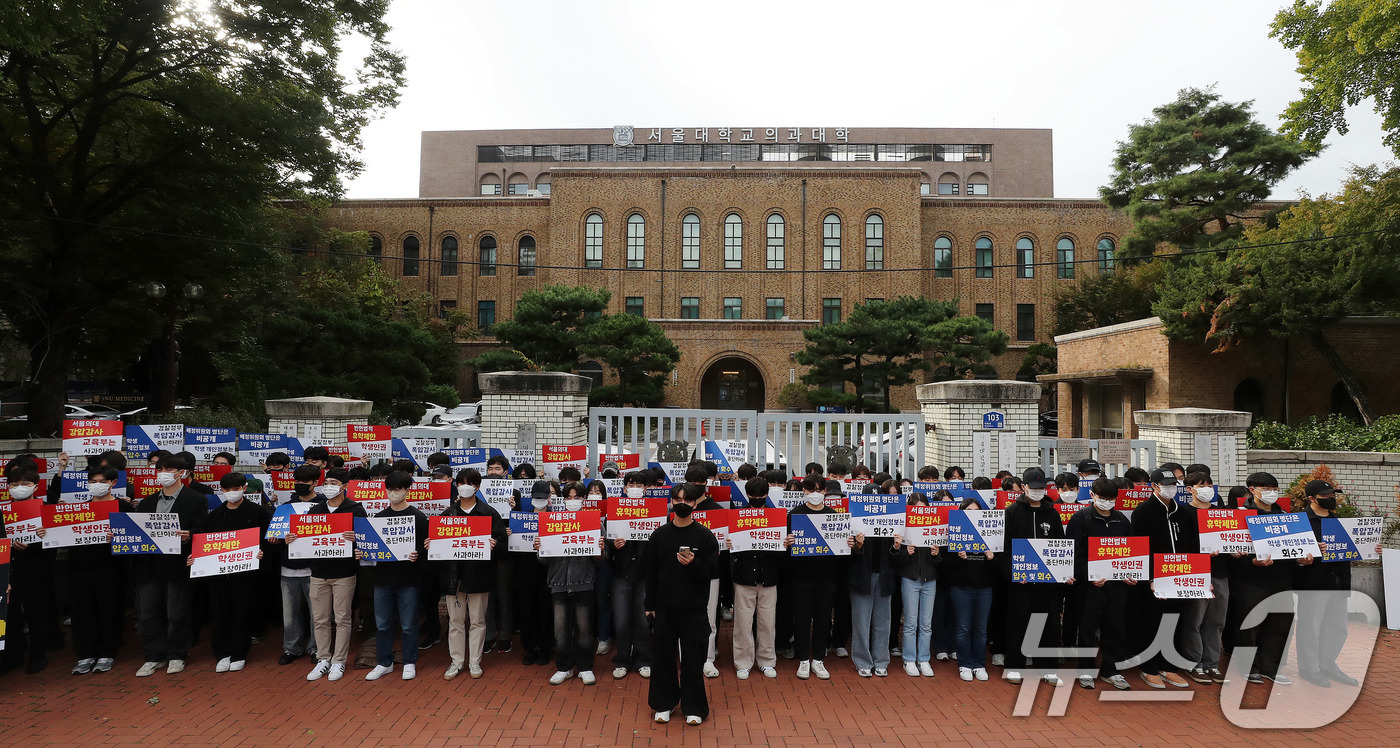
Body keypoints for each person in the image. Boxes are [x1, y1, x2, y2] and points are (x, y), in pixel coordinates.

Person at [646, 475, 720, 726]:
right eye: (677, 499)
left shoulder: (705, 536)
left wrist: (694, 564)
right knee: (663, 659)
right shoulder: (659, 536)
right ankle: (664, 704)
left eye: (687, 500)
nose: (682, 503)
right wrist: (649, 606)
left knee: (693, 660)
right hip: (665, 608)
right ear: (670, 503)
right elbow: (651, 573)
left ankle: (694, 707)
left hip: (694, 609)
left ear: (695, 504)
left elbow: (712, 571)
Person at [132, 454, 207, 677]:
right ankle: (154, 655)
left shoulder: (195, 500)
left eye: (169, 469)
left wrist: (189, 535)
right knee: (148, 613)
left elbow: (204, 530)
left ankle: (176, 654)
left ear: (181, 473)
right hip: (150, 566)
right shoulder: (146, 502)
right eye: (160, 469)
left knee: (176, 613)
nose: (163, 474)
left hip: (178, 565)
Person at [292, 467, 365, 682]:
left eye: (334, 482)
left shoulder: (356, 510)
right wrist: (292, 540)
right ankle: (323, 658)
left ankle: (339, 661)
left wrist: (357, 540)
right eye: (327, 482)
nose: (329, 486)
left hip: (344, 573)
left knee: (343, 618)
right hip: (318, 573)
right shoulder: (316, 511)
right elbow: (306, 539)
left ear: (344, 486)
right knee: (320, 619)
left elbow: (366, 540)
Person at [61, 466, 135, 675]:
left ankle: (107, 652)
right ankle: (85, 655)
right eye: (92, 481)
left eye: (101, 481)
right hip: (80, 569)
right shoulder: (79, 509)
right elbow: (64, 537)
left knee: (109, 610)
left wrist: (118, 536)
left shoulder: (124, 507)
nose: (96, 485)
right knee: (83, 612)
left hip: (111, 569)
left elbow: (133, 539)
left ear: (112, 482)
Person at [1002, 467, 1072, 687]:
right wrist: (1013, 572)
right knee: (1018, 622)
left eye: (1042, 488)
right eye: (1034, 488)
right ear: (1024, 487)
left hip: (1047, 582)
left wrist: (1063, 572)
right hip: (1020, 582)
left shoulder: (1052, 513)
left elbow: (1060, 546)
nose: (1038, 492)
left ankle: (1048, 668)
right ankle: (1014, 665)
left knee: (1049, 624)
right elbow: (1005, 548)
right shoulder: (1012, 512)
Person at [1294, 479, 1366, 687]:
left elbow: (1352, 550)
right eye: (1325, 496)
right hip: (1313, 583)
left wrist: (1370, 548)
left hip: (1339, 581)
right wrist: (1308, 552)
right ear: (1311, 498)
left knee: (1338, 627)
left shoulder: (1339, 521)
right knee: (1311, 626)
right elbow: (1290, 554)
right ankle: (1309, 668)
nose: (1331, 499)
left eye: (1332, 495)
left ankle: (1328, 664)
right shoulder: (1300, 521)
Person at [1065, 477, 1134, 691]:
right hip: (1090, 586)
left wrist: (1131, 572)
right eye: (1102, 498)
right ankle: (1086, 669)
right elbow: (1074, 555)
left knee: (1115, 628)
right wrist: (1088, 576)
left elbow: (1131, 551)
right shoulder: (1081, 519)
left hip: (1117, 585)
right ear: (1092, 495)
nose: (1107, 502)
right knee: (1087, 628)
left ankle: (1111, 670)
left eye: (1111, 498)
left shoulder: (1122, 520)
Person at [198, 472, 270, 672]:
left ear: (244, 488)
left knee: (242, 613)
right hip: (218, 575)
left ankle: (239, 653)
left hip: (245, 574)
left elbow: (267, 540)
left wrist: (262, 551)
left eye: (235, 489)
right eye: (227, 490)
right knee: (220, 612)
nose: (231, 493)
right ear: (221, 490)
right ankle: (222, 653)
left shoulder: (258, 512)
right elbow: (204, 544)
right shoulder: (214, 516)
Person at [1129, 468, 1193, 690]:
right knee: (1151, 622)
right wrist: (1149, 579)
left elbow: (1192, 548)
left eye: (1174, 484)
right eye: (1165, 484)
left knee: (1176, 621)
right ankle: (1149, 668)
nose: (1170, 489)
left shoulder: (1183, 513)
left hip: (1180, 578)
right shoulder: (1143, 512)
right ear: (1153, 486)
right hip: (1154, 580)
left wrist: (1200, 577)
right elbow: (1139, 549)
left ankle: (1169, 667)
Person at [440, 468, 505, 680]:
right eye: (461, 483)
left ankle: (475, 662)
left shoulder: (489, 513)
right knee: (456, 621)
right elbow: (439, 545)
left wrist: (495, 544)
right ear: (456, 486)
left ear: (477, 487)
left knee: (477, 620)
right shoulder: (448, 515)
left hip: (479, 576)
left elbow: (503, 545)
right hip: (454, 577)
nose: (465, 487)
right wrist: (432, 544)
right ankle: (456, 661)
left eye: (470, 483)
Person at [365, 471, 430, 682]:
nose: (394, 493)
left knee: (409, 625)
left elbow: (425, 549)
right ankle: (384, 662)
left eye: (398, 489)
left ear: (407, 491)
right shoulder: (379, 518)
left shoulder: (418, 518)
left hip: (408, 580)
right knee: (383, 625)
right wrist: (363, 552)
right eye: (390, 489)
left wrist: (418, 553)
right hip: (382, 580)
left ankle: (409, 661)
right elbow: (371, 549)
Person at [536, 483, 601, 686]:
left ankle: (585, 667)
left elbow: (602, 558)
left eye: (577, 497)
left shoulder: (593, 521)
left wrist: (600, 548)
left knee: (583, 628)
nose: (573, 501)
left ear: (583, 499)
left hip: (583, 582)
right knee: (560, 629)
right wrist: (539, 548)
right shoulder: (552, 521)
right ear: (563, 500)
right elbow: (544, 559)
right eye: (569, 497)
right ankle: (564, 667)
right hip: (558, 582)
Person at [783, 474, 841, 680]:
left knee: (823, 618)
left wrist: (849, 544)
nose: (815, 493)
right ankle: (803, 660)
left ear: (825, 491)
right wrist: (787, 543)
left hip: (826, 577)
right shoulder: (794, 515)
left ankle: (818, 659)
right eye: (811, 489)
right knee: (801, 618)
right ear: (804, 492)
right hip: (801, 576)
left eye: (819, 490)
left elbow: (840, 551)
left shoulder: (833, 515)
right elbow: (785, 549)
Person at [1178, 471, 1233, 685]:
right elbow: (1180, 546)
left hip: (1220, 573)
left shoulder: (1222, 513)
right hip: (1195, 574)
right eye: (1201, 485)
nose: (1207, 489)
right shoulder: (1183, 513)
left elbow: (1232, 539)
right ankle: (1193, 663)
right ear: (1189, 489)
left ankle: (1212, 664)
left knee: (1216, 621)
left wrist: (1235, 549)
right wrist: (1200, 553)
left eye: (1209, 484)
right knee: (1194, 620)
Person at [729, 476, 781, 679]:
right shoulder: (737, 516)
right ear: (747, 495)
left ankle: (767, 661)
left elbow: (781, 549)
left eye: (761, 495)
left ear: (767, 495)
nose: (758, 498)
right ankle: (742, 662)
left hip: (769, 577)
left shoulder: (777, 517)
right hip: (744, 576)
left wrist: (784, 544)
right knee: (742, 623)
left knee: (767, 623)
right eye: (753, 495)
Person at [271, 464, 320, 666]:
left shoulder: (323, 507)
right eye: (297, 482)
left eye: (304, 482)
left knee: (317, 614)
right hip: (288, 569)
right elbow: (274, 535)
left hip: (314, 569)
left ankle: (316, 649)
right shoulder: (284, 508)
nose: (300, 485)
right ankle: (291, 648)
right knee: (290, 615)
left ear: (315, 483)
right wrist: (277, 539)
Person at [944, 494, 996, 681]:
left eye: (976, 511)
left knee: (981, 629)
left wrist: (991, 557)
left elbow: (998, 567)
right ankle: (965, 664)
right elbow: (946, 565)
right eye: (968, 511)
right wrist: (958, 556)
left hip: (984, 588)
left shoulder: (990, 533)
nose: (973, 514)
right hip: (961, 587)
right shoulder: (955, 532)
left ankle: (979, 663)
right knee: (963, 627)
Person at [848, 490, 897, 678]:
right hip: (862, 577)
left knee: (883, 621)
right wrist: (858, 546)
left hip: (884, 578)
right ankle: (862, 661)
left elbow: (897, 556)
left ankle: (881, 661)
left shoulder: (892, 520)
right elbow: (846, 555)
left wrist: (897, 547)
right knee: (861, 621)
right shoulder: (854, 520)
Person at [609, 472, 653, 680]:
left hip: (645, 573)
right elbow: (605, 540)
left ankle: (643, 659)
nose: (635, 487)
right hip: (621, 573)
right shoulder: (615, 510)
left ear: (646, 488)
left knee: (643, 619)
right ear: (624, 488)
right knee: (622, 619)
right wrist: (613, 545)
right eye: (631, 484)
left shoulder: (654, 511)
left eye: (639, 484)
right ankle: (622, 659)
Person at [893, 492, 940, 677]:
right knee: (911, 622)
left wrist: (936, 555)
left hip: (930, 580)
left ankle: (924, 659)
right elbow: (895, 559)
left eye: (924, 509)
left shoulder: (934, 527)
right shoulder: (904, 528)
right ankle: (909, 659)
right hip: (910, 579)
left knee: (926, 623)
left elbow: (940, 560)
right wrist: (907, 553)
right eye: (916, 509)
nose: (921, 513)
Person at [517, 479, 555, 666]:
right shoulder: (522, 519)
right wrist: (511, 535)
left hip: (548, 571)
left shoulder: (555, 519)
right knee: (527, 609)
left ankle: (545, 647)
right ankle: (529, 647)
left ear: (549, 498)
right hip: (526, 571)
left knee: (546, 609)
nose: (538, 501)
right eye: (535, 498)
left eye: (542, 498)